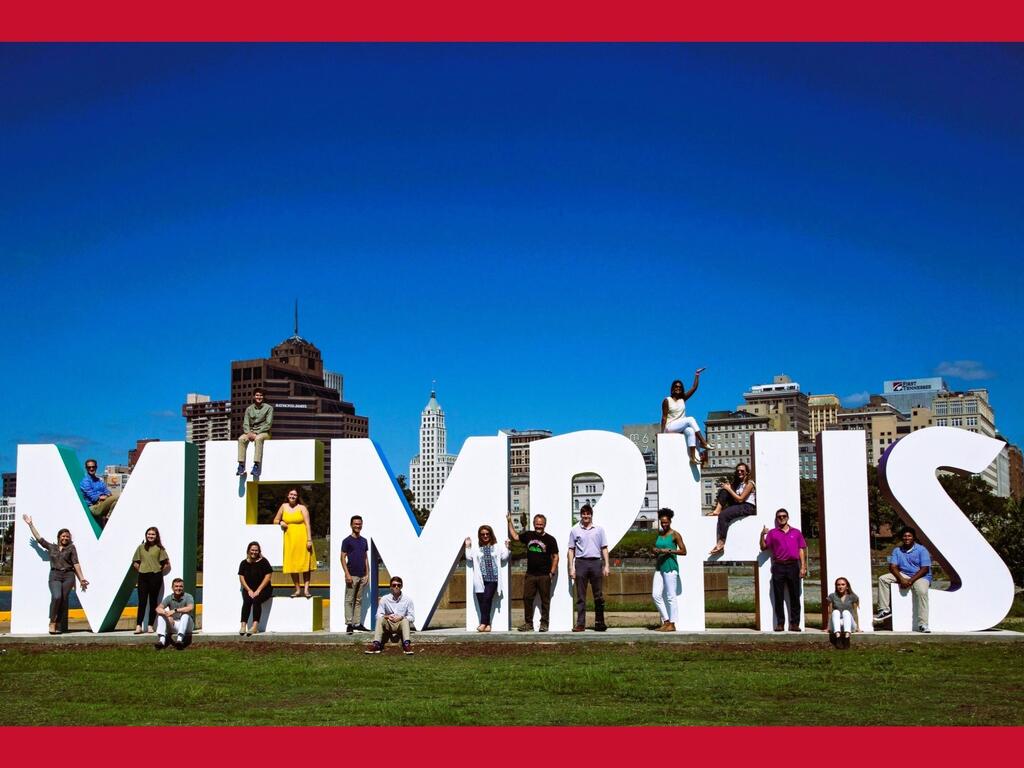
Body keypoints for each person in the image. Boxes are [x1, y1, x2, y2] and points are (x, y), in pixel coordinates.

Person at [22, 514, 89, 635]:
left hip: (68, 575)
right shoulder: (52, 547)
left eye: (67, 537)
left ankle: (58, 623)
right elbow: (39, 539)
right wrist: (30, 524)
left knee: (63, 599)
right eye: (63, 536)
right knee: (56, 596)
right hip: (55, 575)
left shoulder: (71, 548)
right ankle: (52, 621)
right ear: (59, 537)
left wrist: (82, 579)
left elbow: (76, 564)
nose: (65, 538)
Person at [507, 512, 559, 632]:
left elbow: (555, 557)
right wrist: (509, 521)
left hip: (544, 575)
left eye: (541, 524)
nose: (538, 526)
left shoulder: (550, 539)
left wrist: (552, 572)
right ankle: (528, 624)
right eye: (537, 524)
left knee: (545, 600)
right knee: (527, 598)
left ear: (544, 525)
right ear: (534, 524)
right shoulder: (529, 535)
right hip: (530, 574)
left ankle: (544, 624)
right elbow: (515, 537)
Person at [874, 526, 932, 632]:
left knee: (922, 591)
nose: (907, 538)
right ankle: (884, 609)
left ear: (913, 537)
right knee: (883, 579)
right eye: (905, 536)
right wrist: (901, 579)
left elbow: (925, 569)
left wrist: (910, 581)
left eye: (909, 536)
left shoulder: (921, 549)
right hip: (904, 574)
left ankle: (923, 624)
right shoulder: (897, 550)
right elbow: (892, 567)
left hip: (921, 576)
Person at [759, 508, 807, 631]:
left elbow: (801, 549)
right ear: (776, 519)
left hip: (793, 566)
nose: (782, 518)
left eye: (784, 516)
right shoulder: (772, 533)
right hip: (778, 566)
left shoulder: (796, 532)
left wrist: (803, 566)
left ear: (788, 517)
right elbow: (764, 547)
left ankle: (794, 624)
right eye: (779, 516)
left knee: (794, 596)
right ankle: (780, 624)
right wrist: (762, 535)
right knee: (778, 596)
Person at [567, 503, 610, 632]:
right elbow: (571, 550)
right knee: (581, 596)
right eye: (584, 514)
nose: (586, 516)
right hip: (581, 563)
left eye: (588, 513)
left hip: (596, 562)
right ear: (581, 515)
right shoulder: (575, 530)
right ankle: (580, 624)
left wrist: (607, 565)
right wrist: (571, 567)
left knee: (598, 595)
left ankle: (599, 622)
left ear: (591, 515)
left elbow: (604, 548)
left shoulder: (599, 530)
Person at [464, 525, 510, 632]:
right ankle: (488, 625)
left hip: (493, 578)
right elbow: (469, 557)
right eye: (482, 534)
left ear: (490, 534)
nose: (485, 536)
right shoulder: (477, 548)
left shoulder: (496, 547)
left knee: (487, 599)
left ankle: (483, 622)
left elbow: (504, 557)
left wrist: (507, 547)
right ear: (480, 536)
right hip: (480, 579)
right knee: (482, 602)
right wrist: (468, 546)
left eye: (487, 534)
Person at [660, 371, 711, 465]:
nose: (678, 388)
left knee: (691, 431)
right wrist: (662, 433)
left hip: (681, 426)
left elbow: (694, 388)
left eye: (680, 387)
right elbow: (664, 417)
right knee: (690, 419)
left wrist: (697, 375)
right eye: (676, 387)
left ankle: (692, 457)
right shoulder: (667, 400)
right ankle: (703, 442)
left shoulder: (682, 399)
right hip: (670, 426)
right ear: (672, 388)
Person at [273, 488, 316, 599]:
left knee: (305, 565)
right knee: (293, 565)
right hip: (289, 539)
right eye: (291, 494)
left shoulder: (302, 508)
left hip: (303, 539)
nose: (293, 496)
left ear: (298, 497)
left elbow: (308, 524)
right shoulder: (283, 506)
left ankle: (306, 590)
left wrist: (309, 540)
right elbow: (275, 520)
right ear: (288, 495)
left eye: (295, 495)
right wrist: (281, 522)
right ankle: (297, 589)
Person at [708, 463, 756, 555]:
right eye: (738, 470)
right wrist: (727, 488)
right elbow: (735, 498)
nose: (739, 472)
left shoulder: (750, 483)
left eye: (742, 471)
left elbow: (741, 499)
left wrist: (729, 489)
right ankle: (717, 510)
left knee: (724, 515)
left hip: (747, 506)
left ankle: (721, 543)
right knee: (724, 490)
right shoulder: (738, 484)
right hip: (739, 504)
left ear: (747, 472)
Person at [651, 508, 686, 632]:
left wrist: (668, 551)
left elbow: (683, 551)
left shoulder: (675, 534)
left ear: (670, 521)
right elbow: (658, 548)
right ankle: (666, 621)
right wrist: (656, 551)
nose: (664, 524)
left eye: (666, 522)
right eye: (662, 522)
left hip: (670, 567)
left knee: (671, 596)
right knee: (655, 595)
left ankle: (672, 623)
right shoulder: (660, 534)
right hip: (659, 567)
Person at [132, 527, 170, 635]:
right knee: (142, 601)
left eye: (153, 534)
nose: (150, 536)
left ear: (156, 536)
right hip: (143, 577)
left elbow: (167, 563)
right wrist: (141, 569)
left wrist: (158, 571)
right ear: (146, 535)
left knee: (153, 601)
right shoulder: (141, 547)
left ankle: (150, 626)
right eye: (149, 534)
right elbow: (135, 561)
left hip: (155, 576)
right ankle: (138, 626)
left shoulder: (159, 548)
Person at [365, 576, 414, 655]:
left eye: (398, 585)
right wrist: (387, 616)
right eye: (394, 585)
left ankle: (406, 645)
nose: (396, 587)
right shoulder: (384, 599)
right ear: (390, 587)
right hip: (389, 623)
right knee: (380, 619)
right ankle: (376, 645)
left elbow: (412, 617)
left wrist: (401, 617)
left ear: (401, 586)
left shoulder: (408, 600)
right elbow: (378, 615)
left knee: (405, 620)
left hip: (400, 624)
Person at [341, 515, 370, 634]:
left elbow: (365, 558)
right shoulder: (347, 541)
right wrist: (347, 574)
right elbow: (342, 557)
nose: (358, 526)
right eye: (356, 524)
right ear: (351, 525)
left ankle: (357, 623)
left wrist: (367, 574)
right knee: (349, 600)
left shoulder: (364, 541)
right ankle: (349, 624)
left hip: (362, 575)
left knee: (359, 600)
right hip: (351, 575)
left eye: (359, 524)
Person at [236, 387, 273, 479]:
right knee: (241, 439)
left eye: (261, 395)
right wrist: (248, 433)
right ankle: (241, 465)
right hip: (250, 432)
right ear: (254, 396)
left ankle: (256, 465)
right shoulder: (249, 409)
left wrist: (256, 433)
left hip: (264, 432)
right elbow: (245, 423)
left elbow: (268, 424)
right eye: (257, 395)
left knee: (258, 439)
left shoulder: (269, 408)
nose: (259, 397)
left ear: (263, 397)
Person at [238, 541, 273, 635]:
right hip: (249, 589)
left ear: (259, 551)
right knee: (247, 601)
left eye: (256, 550)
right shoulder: (243, 563)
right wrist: (249, 590)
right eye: (252, 550)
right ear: (248, 551)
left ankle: (254, 627)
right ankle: (243, 626)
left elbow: (268, 576)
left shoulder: (264, 561)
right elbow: (241, 578)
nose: (254, 552)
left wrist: (258, 590)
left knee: (256, 600)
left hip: (264, 589)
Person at [154, 577, 194, 650]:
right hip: (174, 624)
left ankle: (179, 640)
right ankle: (161, 641)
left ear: (183, 587)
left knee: (185, 615)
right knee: (160, 616)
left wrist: (174, 610)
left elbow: (190, 608)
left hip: (187, 626)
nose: (178, 588)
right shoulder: (169, 598)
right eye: (176, 586)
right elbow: (158, 609)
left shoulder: (188, 596)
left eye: (180, 586)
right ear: (172, 588)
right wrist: (166, 614)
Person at [79, 459, 118, 525]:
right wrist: (104, 496)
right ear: (86, 468)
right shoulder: (85, 482)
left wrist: (106, 496)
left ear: (96, 467)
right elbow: (94, 498)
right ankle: (107, 518)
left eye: (93, 467)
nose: (91, 469)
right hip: (95, 507)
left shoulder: (99, 481)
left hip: (103, 504)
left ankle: (108, 518)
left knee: (117, 501)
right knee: (117, 497)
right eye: (89, 467)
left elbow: (108, 492)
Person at [826, 576, 859, 649]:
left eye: (843, 584)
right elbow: (830, 612)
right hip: (836, 623)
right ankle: (838, 638)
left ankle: (847, 638)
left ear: (847, 586)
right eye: (838, 585)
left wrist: (858, 627)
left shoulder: (852, 596)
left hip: (849, 623)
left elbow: (855, 613)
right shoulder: (832, 596)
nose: (840, 586)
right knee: (836, 612)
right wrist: (828, 627)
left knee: (846, 612)